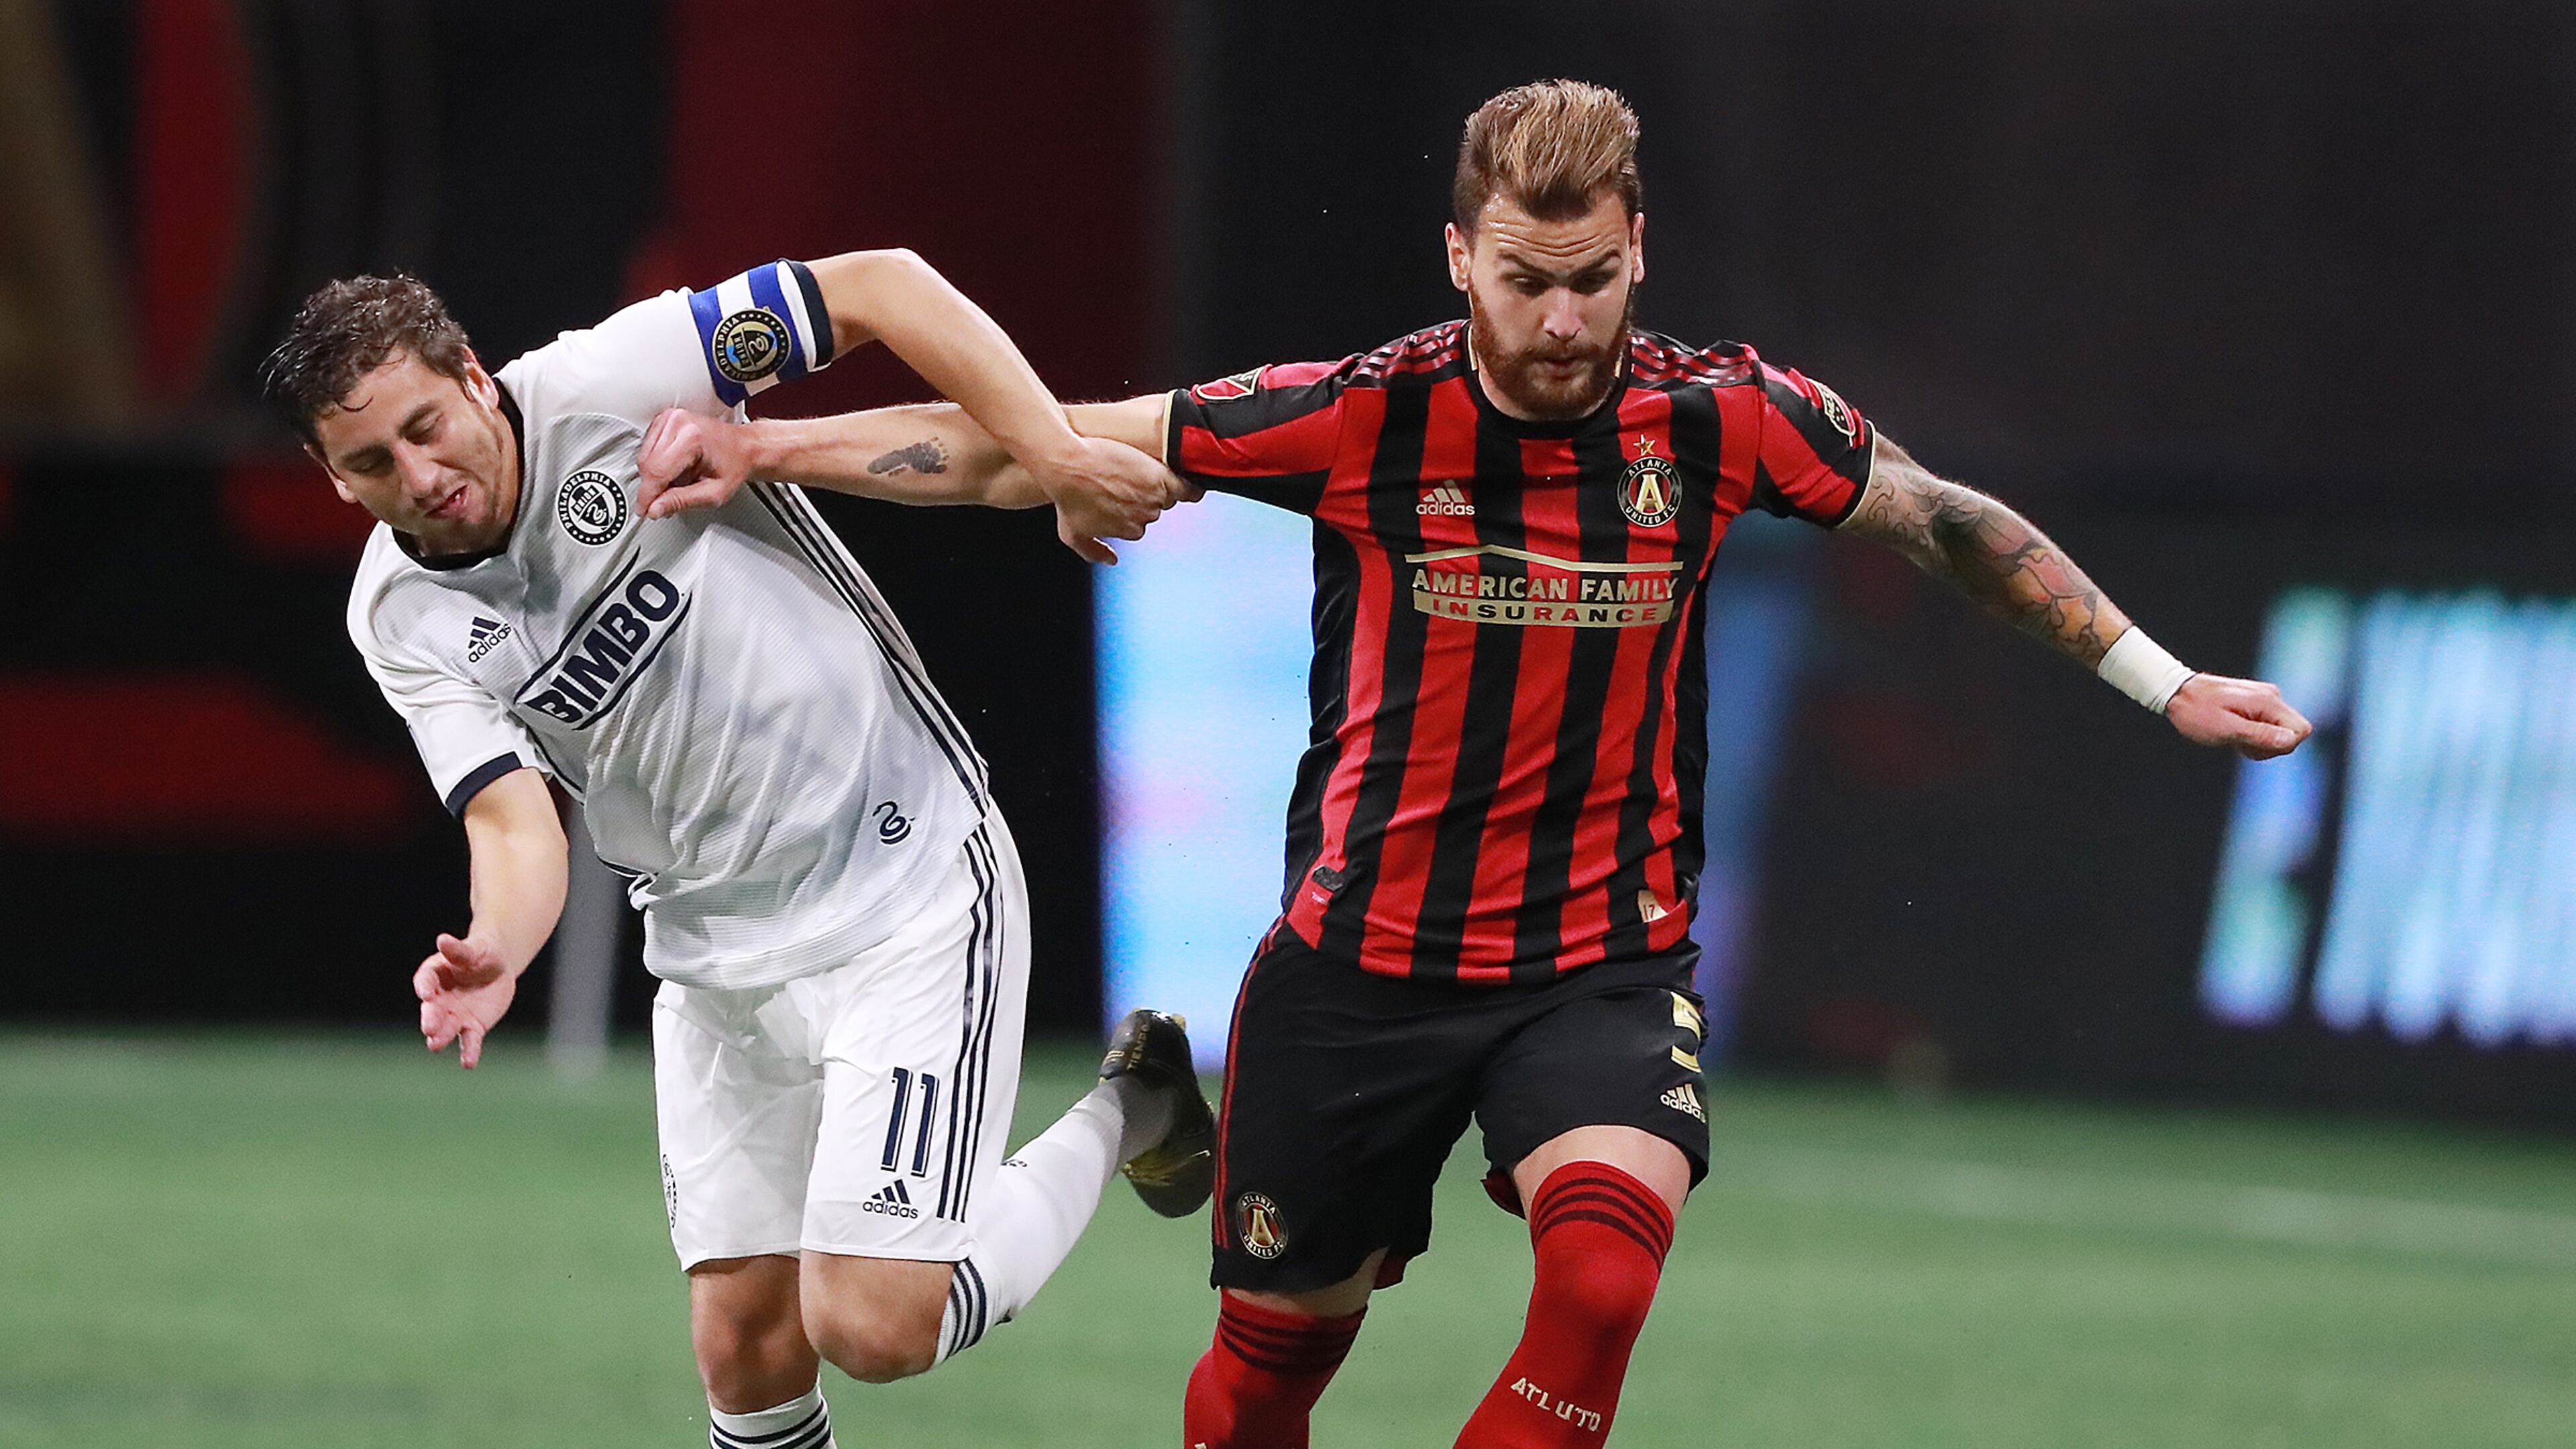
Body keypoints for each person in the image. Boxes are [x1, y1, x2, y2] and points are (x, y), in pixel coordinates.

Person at [639, 80, 2315, 1448]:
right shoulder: (1360, 418)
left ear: (1640, 251)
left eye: (1594, 278)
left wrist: (2159, 681)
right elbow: (1040, 451)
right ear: (1460, 257)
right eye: (1527, 278)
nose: (1564, 319)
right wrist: (768, 440)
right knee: (1258, 1388)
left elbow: (1948, 520)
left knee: (1596, 1287)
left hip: (1597, 966)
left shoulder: (1725, 421)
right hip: (1356, 974)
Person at [256, 250, 1218, 1449]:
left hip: (904, 886)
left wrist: (1058, 454)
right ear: (331, 478)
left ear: (473, 379)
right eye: (371, 464)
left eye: (426, 427)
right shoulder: (397, 614)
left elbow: (886, 286)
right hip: (713, 957)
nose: (420, 474)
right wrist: (499, 947)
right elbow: (513, 820)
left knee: (873, 1323)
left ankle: (1136, 1109)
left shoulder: (616, 377)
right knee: (747, 1355)